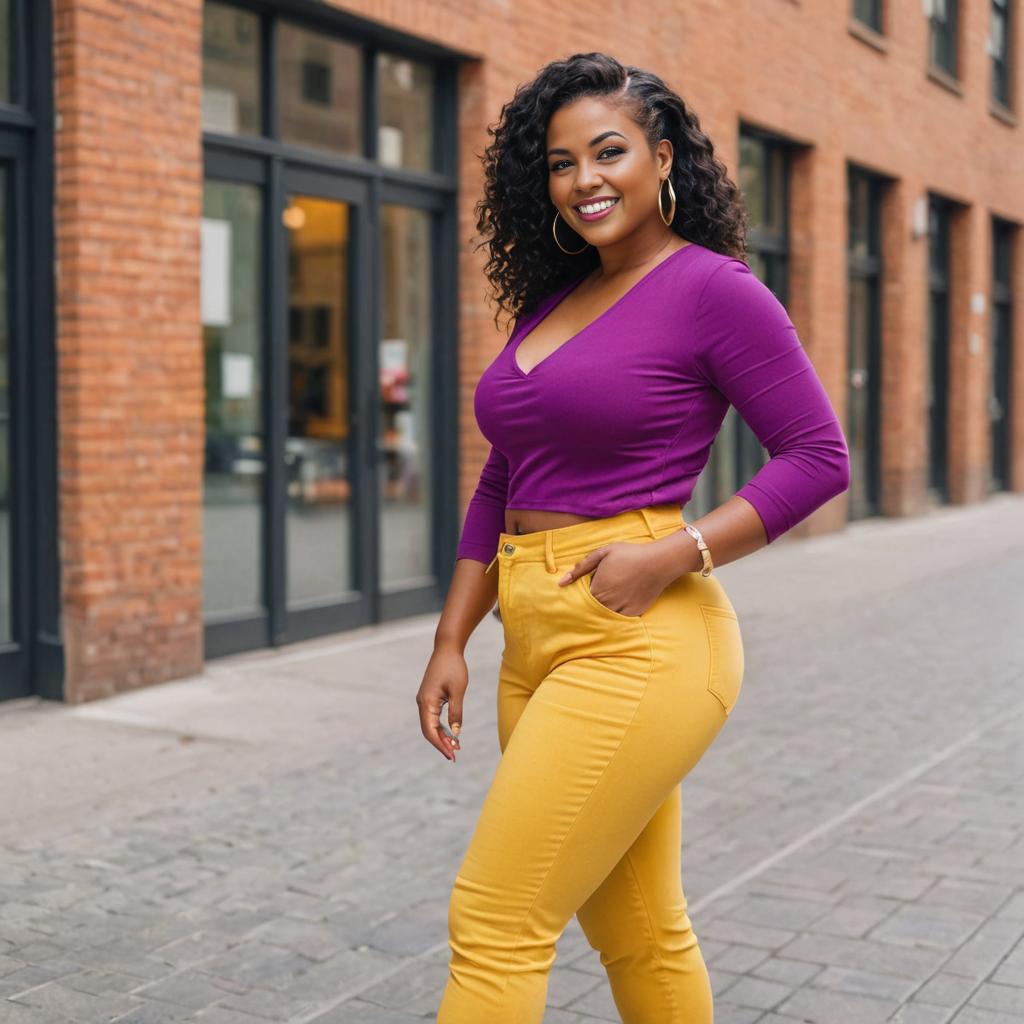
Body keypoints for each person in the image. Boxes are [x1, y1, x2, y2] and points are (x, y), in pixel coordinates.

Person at [416, 52, 851, 1024]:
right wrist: (453, 638)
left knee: (495, 919)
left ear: (662, 160)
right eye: (561, 164)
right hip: (531, 636)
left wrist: (676, 552)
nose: (584, 181)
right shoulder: (556, 299)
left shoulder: (713, 291)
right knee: (639, 930)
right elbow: (502, 474)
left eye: (607, 152)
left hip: (640, 632)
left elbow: (817, 456)